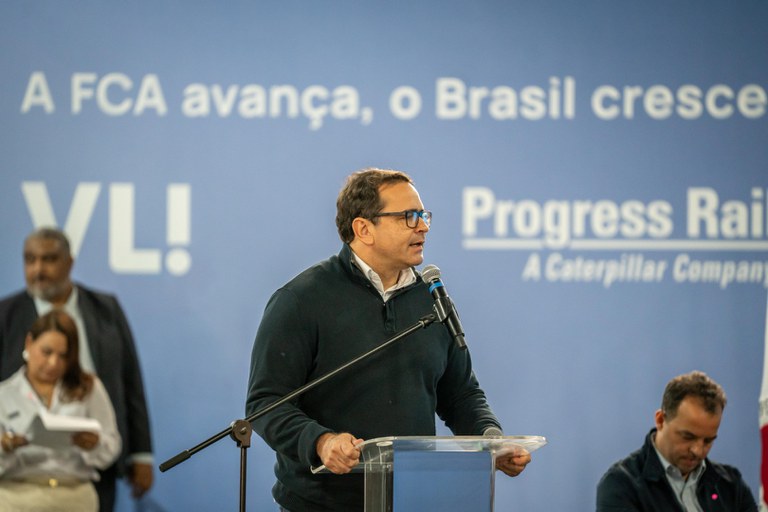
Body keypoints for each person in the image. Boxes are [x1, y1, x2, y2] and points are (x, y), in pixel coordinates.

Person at [246, 168, 531, 511]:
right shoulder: (301, 300)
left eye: (423, 216)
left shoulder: (432, 298)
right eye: (408, 217)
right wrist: (320, 441)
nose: (422, 226)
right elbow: (265, 404)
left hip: (415, 499)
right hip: (321, 504)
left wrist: (490, 440)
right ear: (363, 228)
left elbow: (461, 394)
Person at [0, 227, 153, 512]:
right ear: (29, 344)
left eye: (48, 259)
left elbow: (130, 381)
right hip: (19, 477)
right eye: (30, 260)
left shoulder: (105, 308)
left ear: (69, 262)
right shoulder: (5, 315)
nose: (38, 270)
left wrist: (141, 454)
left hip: (89, 468)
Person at [0, 310, 122, 512]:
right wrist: (6, 446)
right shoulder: (5, 394)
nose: (53, 363)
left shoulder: (88, 388)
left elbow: (112, 446)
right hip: (17, 496)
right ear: (29, 343)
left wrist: (94, 444)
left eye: (63, 356)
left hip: (75, 495)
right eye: (46, 352)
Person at [596, 370, 757, 511]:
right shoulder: (621, 485)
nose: (698, 451)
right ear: (660, 420)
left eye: (708, 441)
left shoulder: (731, 484)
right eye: (688, 437)